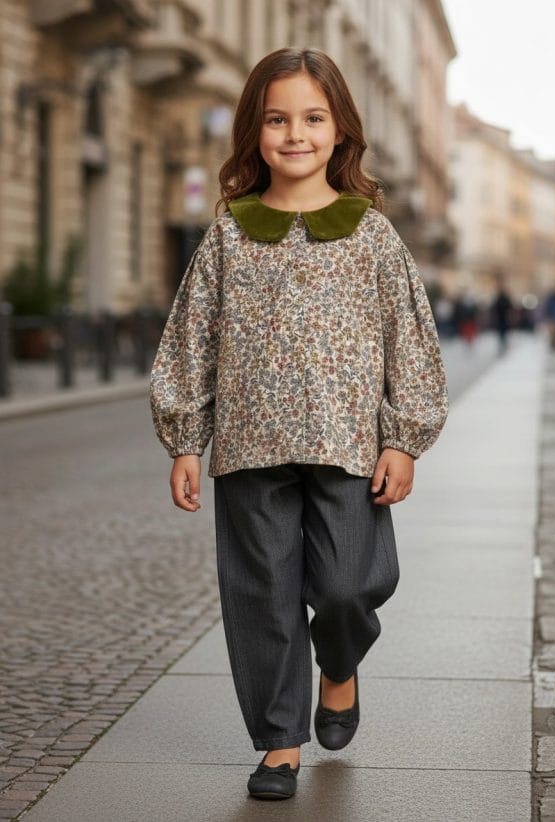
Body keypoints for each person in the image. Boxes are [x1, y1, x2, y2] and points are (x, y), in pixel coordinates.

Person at [149, 47, 448, 801]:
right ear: (254, 132)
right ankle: (279, 742)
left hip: (348, 445)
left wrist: (402, 439)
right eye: (277, 119)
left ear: (340, 131)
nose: (295, 134)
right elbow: (192, 338)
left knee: (348, 586)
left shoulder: (371, 235)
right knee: (263, 598)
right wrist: (186, 439)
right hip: (249, 446)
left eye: (313, 118)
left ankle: (339, 665)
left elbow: (408, 340)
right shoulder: (229, 234)